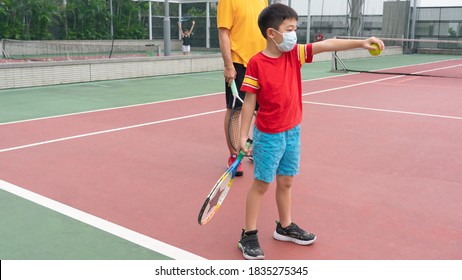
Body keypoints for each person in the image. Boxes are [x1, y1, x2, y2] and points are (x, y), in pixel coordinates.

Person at [237, 3, 385, 260]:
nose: (295, 34)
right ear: (272, 33)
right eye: (290, 29)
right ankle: (248, 234)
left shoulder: (294, 54)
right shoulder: (256, 63)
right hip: (268, 135)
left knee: (286, 181)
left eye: (296, 28)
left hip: (292, 131)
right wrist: (241, 136)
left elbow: (328, 44)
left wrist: (362, 42)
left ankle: (284, 227)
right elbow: (249, 102)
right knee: (261, 184)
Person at [217, 0, 268, 176]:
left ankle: (254, 150)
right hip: (238, 62)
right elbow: (223, 32)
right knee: (235, 110)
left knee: (262, 111)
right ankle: (234, 155)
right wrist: (228, 65)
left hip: (261, 62)